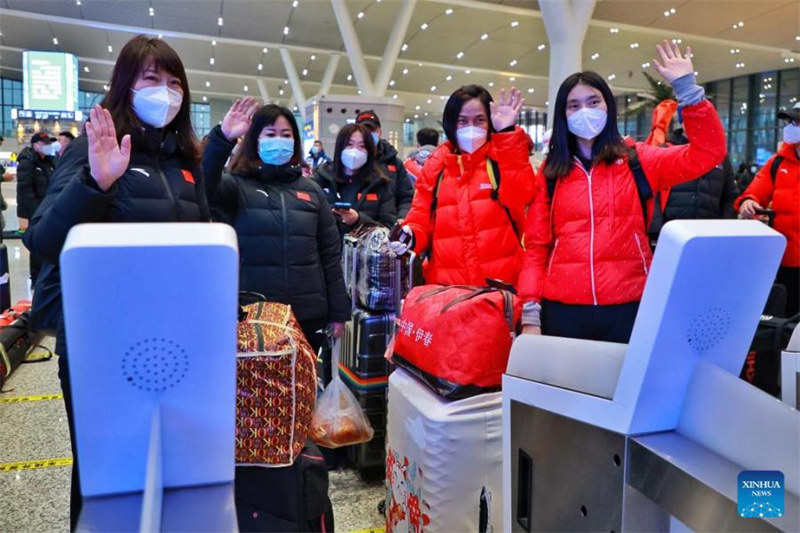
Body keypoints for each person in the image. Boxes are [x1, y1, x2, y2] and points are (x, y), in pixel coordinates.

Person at [22, 35, 208, 530]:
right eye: (151, 79)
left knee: (167, 470)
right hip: (101, 346)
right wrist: (96, 183)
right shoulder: (94, 149)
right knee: (105, 481)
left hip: (170, 345)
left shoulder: (185, 161)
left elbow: (204, 247)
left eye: (174, 83)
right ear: (126, 85)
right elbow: (41, 239)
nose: (165, 92)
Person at [519, 40, 726, 343]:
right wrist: (530, 313)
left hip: (629, 306)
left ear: (608, 107)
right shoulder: (551, 172)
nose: (584, 112)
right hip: (563, 310)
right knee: (568, 389)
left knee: (623, 389)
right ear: (563, 115)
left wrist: (688, 93)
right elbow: (536, 247)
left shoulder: (639, 160)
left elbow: (708, 153)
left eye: (593, 102)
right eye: (573, 106)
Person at [203, 98, 349, 351]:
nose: (279, 140)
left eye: (286, 134)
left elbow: (329, 254)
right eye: (270, 134)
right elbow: (203, 184)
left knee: (303, 386)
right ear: (255, 140)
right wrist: (223, 139)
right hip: (253, 313)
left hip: (308, 314)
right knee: (258, 388)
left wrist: (338, 310)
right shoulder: (235, 185)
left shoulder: (311, 191)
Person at [388, 85, 536, 288]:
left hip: (500, 289)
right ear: (452, 123)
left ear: (490, 122)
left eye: (480, 120)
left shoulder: (503, 159)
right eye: (463, 121)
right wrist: (410, 235)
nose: (471, 127)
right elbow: (420, 218)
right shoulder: (437, 167)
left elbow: (521, 196)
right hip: (448, 291)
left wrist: (508, 134)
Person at [735, 101, 800, 317]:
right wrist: (748, 202)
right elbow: (753, 192)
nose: (791, 127)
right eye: (791, 122)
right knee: (786, 322)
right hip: (784, 260)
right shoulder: (777, 162)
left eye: (797, 122)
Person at [648, 127, 739, 244]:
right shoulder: (665, 150)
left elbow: (730, 196)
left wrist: (725, 228)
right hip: (671, 234)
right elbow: (651, 192)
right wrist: (657, 230)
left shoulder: (720, 156)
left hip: (709, 236)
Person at [312, 123, 397, 238]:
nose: (354, 151)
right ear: (340, 147)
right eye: (349, 145)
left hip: (364, 253)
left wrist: (358, 220)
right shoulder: (321, 178)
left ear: (369, 151)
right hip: (326, 252)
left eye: (362, 146)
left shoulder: (380, 184)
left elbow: (388, 228)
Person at [355, 110, 414, 218]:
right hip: (355, 226)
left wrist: (401, 219)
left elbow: (406, 197)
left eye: (371, 130)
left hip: (389, 225)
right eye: (363, 130)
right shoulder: (350, 162)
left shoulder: (395, 164)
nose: (367, 134)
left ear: (379, 132)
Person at [17, 131, 58, 284]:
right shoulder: (27, 162)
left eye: (49, 143)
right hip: (34, 211)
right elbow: (25, 190)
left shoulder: (50, 161)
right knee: (37, 243)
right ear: (35, 145)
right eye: (44, 143)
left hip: (49, 209)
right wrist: (37, 212)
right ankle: (36, 278)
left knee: (48, 242)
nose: (48, 146)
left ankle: (47, 276)